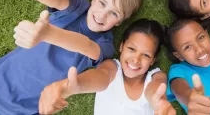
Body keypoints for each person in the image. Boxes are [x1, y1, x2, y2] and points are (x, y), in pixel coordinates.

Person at [0, 0, 141, 115]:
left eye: (114, 13)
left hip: (21, 110)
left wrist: (49, 34)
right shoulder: (78, 8)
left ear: (119, 22)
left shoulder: (105, 44)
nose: (103, 14)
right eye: (102, 3)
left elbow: (86, 45)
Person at [39, 19, 176, 115]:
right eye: (131, 49)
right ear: (121, 46)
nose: (136, 59)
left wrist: (160, 103)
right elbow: (100, 76)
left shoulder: (156, 77)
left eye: (146, 55)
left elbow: (155, 92)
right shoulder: (112, 68)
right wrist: (73, 86)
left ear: (153, 60)